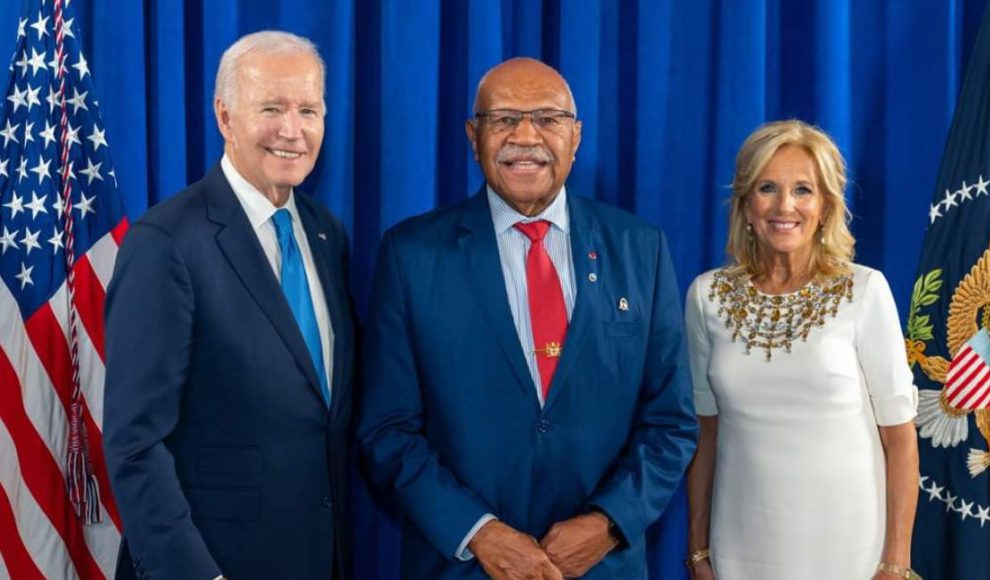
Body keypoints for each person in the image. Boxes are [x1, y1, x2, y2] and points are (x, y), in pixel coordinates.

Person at [358, 57, 697, 579]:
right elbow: (388, 429)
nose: (525, 135)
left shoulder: (639, 248)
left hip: (602, 566)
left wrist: (608, 523)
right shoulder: (411, 255)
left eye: (547, 118)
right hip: (465, 567)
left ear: (576, 136)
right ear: (474, 136)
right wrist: (479, 532)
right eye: (503, 119)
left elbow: (670, 422)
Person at [103, 31, 356, 580]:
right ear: (224, 116)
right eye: (272, 107)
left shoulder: (325, 234)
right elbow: (135, 444)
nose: (293, 130)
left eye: (308, 109)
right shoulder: (165, 242)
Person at [683, 120, 920, 580]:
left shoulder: (864, 290)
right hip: (740, 546)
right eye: (767, 188)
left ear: (827, 206)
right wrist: (698, 550)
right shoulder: (705, 297)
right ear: (747, 205)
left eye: (803, 190)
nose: (784, 206)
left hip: (852, 549)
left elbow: (901, 440)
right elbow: (704, 435)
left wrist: (896, 562)